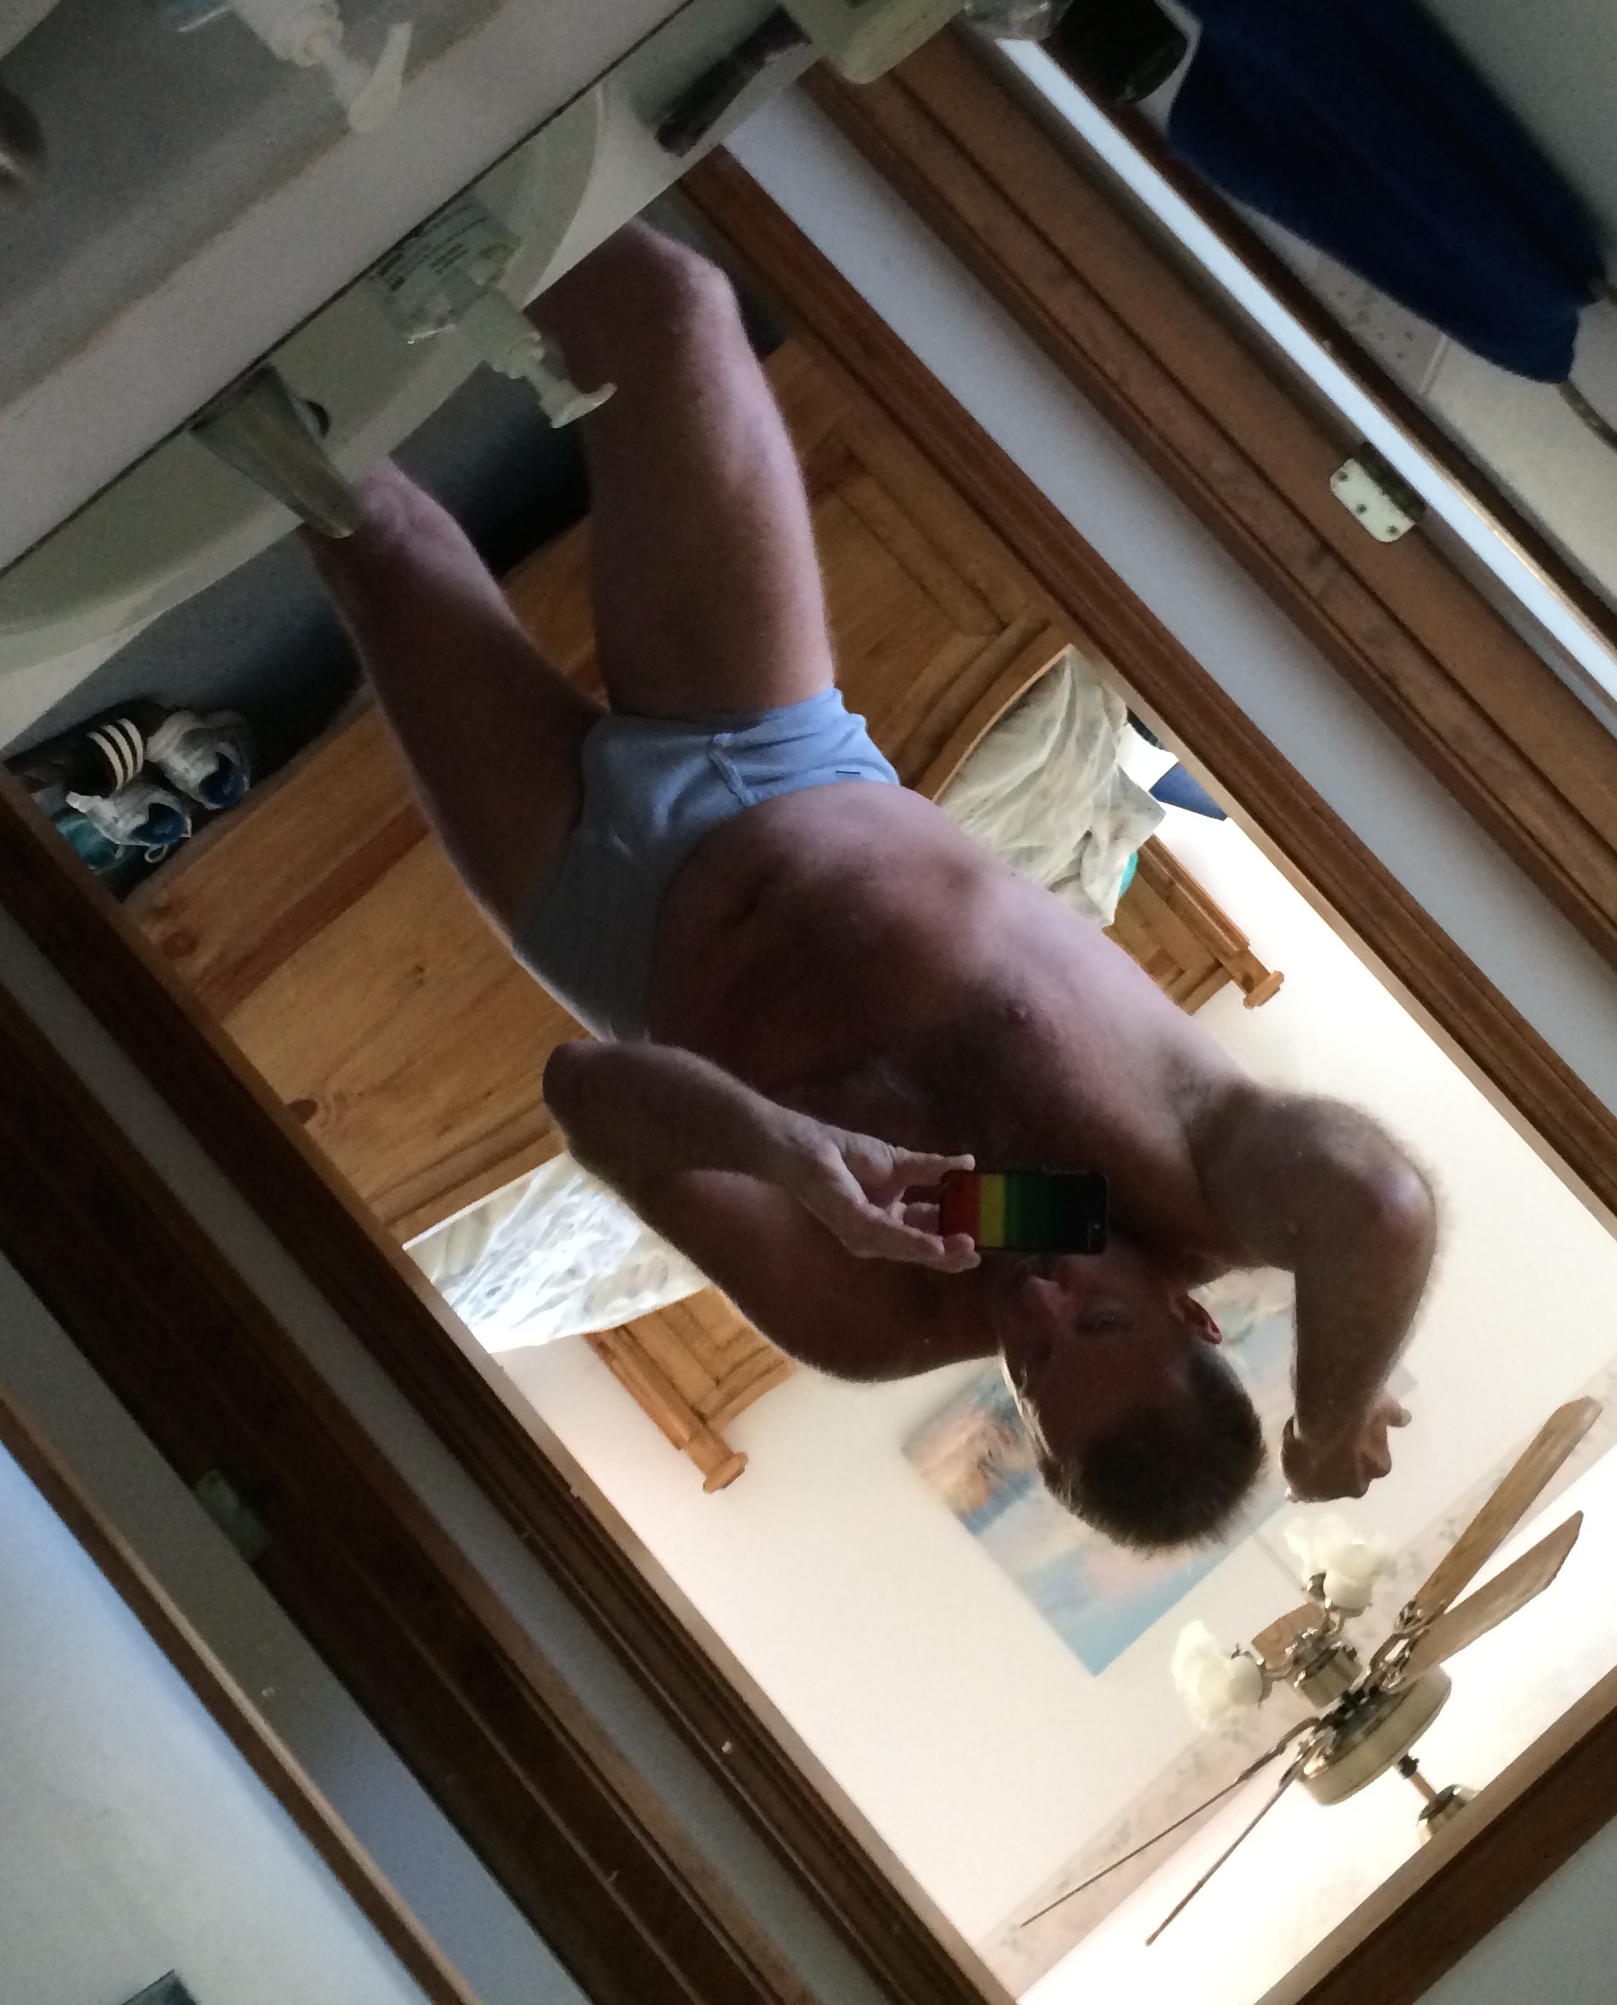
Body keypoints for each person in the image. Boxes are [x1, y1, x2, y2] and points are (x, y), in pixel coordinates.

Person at [306, 220, 1434, 1550]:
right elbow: (1378, 1210)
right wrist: (1328, 1423)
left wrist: (783, 1151)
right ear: (1192, 1313)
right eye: (1099, 1319)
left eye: (1033, 1366)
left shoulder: (873, 1321)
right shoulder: (1206, 1177)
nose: (1036, 1303)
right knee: (671, 313)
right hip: (773, 750)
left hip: (599, 905)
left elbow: (586, 1096)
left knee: (367, 529)